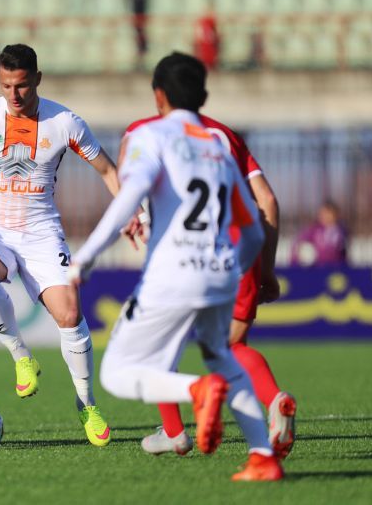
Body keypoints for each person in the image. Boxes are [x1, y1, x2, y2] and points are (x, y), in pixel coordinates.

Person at [69, 52, 284, 481]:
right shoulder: (218, 146)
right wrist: (234, 271)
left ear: (159, 96)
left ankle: (195, 392)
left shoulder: (150, 135)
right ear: (203, 96)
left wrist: (86, 256)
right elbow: (253, 229)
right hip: (221, 272)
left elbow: (131, 196)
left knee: (117, 373)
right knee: (223, 357)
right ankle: (262, 457)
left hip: (172, 273)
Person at [0, 44, 124, 447]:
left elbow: (108, 170)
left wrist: (132, 210)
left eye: (21, 85)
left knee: (70, 314)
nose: (13, 95)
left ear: (37, 79)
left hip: (41, 233)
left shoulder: (64, 122)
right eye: (5, 86)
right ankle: (21, 356)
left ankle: (86, 403)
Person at [119, 59, 296, 460]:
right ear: (202, 95)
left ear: (158, 94)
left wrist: (134, 216)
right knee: (232, 346)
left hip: (184, 256)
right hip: (239, 251)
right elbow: (267, 201)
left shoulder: (142, 131)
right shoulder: (224, 136)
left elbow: (129, 184)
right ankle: (274, 401)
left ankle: (175, 433)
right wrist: (266, 268)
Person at [291, 199, 348, 266]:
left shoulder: (341, 231)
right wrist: (295, 263)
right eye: (322, 213)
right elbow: (298, 244)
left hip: (336, 268)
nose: (325, 216)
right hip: (318, 268)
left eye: (328, 213)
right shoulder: (314, 230)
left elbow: (343, 253)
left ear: (335, 214)